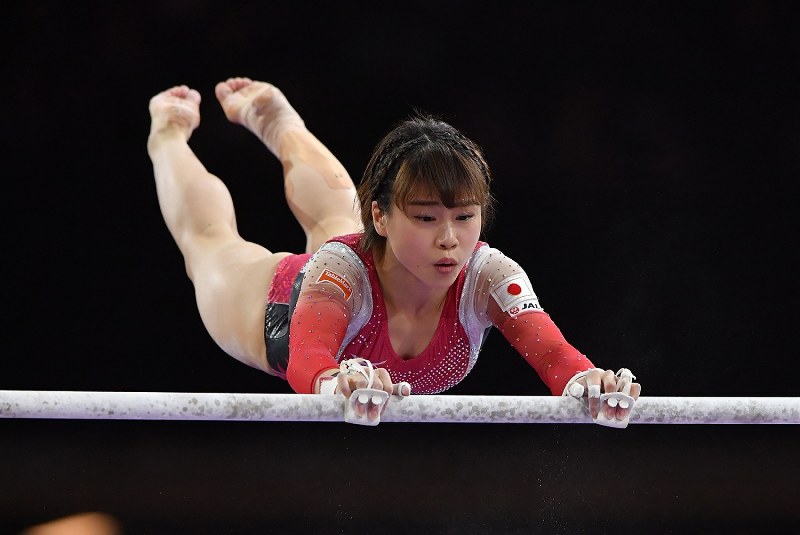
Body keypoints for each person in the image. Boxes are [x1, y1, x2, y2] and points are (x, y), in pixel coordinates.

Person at [147, 77, 641, 425]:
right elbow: (308, 359)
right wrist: (330, 382)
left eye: (465, 217)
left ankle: (280, 125)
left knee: (336, 220)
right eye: (426, 218)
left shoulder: (490, 276)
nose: (449, 238)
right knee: (211, 244)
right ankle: (167, 134)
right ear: (381, 217)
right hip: (283, 308)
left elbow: (556, 358)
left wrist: (589, 383)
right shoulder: (342, 268)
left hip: (371, 268)